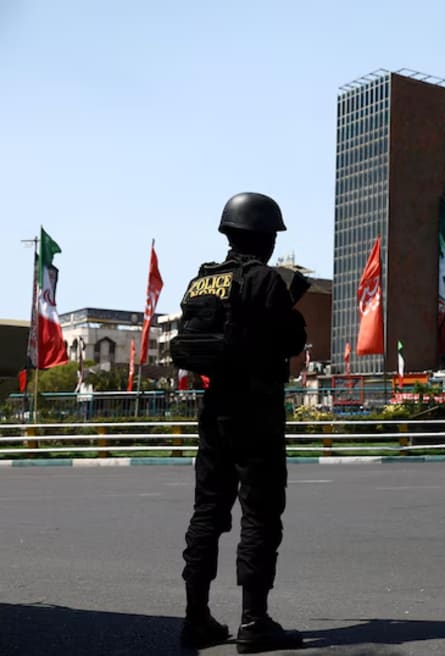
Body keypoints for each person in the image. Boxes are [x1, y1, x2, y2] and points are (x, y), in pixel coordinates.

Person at [174, 192, 307, 652]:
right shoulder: (265, 280)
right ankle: (255, 621)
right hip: (257, 410)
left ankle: (196, 617)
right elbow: (292, 339)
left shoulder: (201, 281)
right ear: (265, 237)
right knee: (260, 514)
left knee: (207, 512)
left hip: (214, 410)